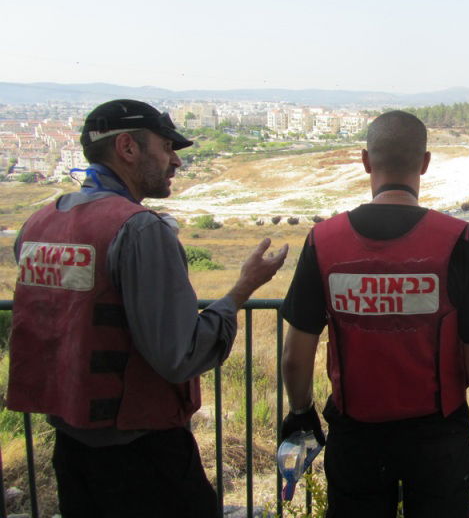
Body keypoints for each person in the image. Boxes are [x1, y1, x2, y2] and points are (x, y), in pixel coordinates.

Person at [7, 99, 288, 518]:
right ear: (127, 147)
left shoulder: (39, 224)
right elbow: (180, 356)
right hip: (142, 455)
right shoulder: (140, 230)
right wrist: (241, 291)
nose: (175, 160)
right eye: (167, 146)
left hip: (71, 448)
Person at [279, 110, 469, 517]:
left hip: (357, 437)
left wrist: (301, 413)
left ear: (366, 161)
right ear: (424, 163)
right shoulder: (460, 241)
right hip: (439, 438)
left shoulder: (323, 241)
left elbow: (295, 354)